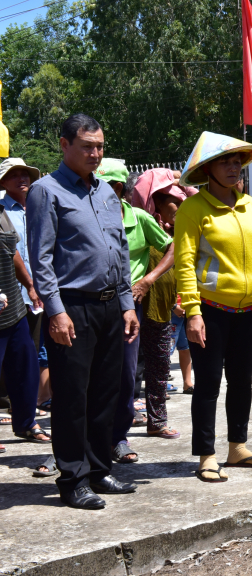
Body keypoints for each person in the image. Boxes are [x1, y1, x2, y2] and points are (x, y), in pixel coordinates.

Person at [27, 114, 140, 510]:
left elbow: (121, 253)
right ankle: (72, 478)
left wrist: (126, 304)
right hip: (72, 309)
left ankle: (97, 469)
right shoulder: (47, 191)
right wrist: (55, 312)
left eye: (100, 146)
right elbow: (40, 258)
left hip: (111, 307)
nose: (95, 153)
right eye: (87, 146)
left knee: (106, 393)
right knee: (73, 397)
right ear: (64, 145)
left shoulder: (107, 193)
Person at [175, 131, 252, 483]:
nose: (235, 167)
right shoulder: (193, 210)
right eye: (226, 161)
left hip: (249, 310)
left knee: (242, 380)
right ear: (208, 169)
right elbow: (185, 264)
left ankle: (237, 447)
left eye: (238, 161)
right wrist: (192, 312)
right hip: (210, 310)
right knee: (208, 383)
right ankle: (206, 455)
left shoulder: (250, 205)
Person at [93, 161, 176, 464]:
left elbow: (173, 246)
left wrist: (148, 279)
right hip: (91, 305)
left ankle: (118, 438)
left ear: (117, 189)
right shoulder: (87, 215)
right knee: (88, 374)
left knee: (126, 374)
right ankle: (82, 442)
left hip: (129, 306)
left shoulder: (139, 218)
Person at [132, 168, 194, 440]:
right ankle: (124, 420)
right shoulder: (138, 223)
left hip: (163, 310)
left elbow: (196, 200)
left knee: (159, 367)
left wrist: (182, 182)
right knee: (129, 368)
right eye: (173, 202)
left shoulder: (179, 228)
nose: (180, 207)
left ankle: (157, 421)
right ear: (153, 199)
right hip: (133, 307)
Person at [0, 158, 48, 451]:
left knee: (25, 365)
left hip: (14, 306)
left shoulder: (3, 216)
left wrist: (30, 286)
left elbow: (13, 251)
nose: (21, 179)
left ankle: (26, 423)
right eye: (12, 176)